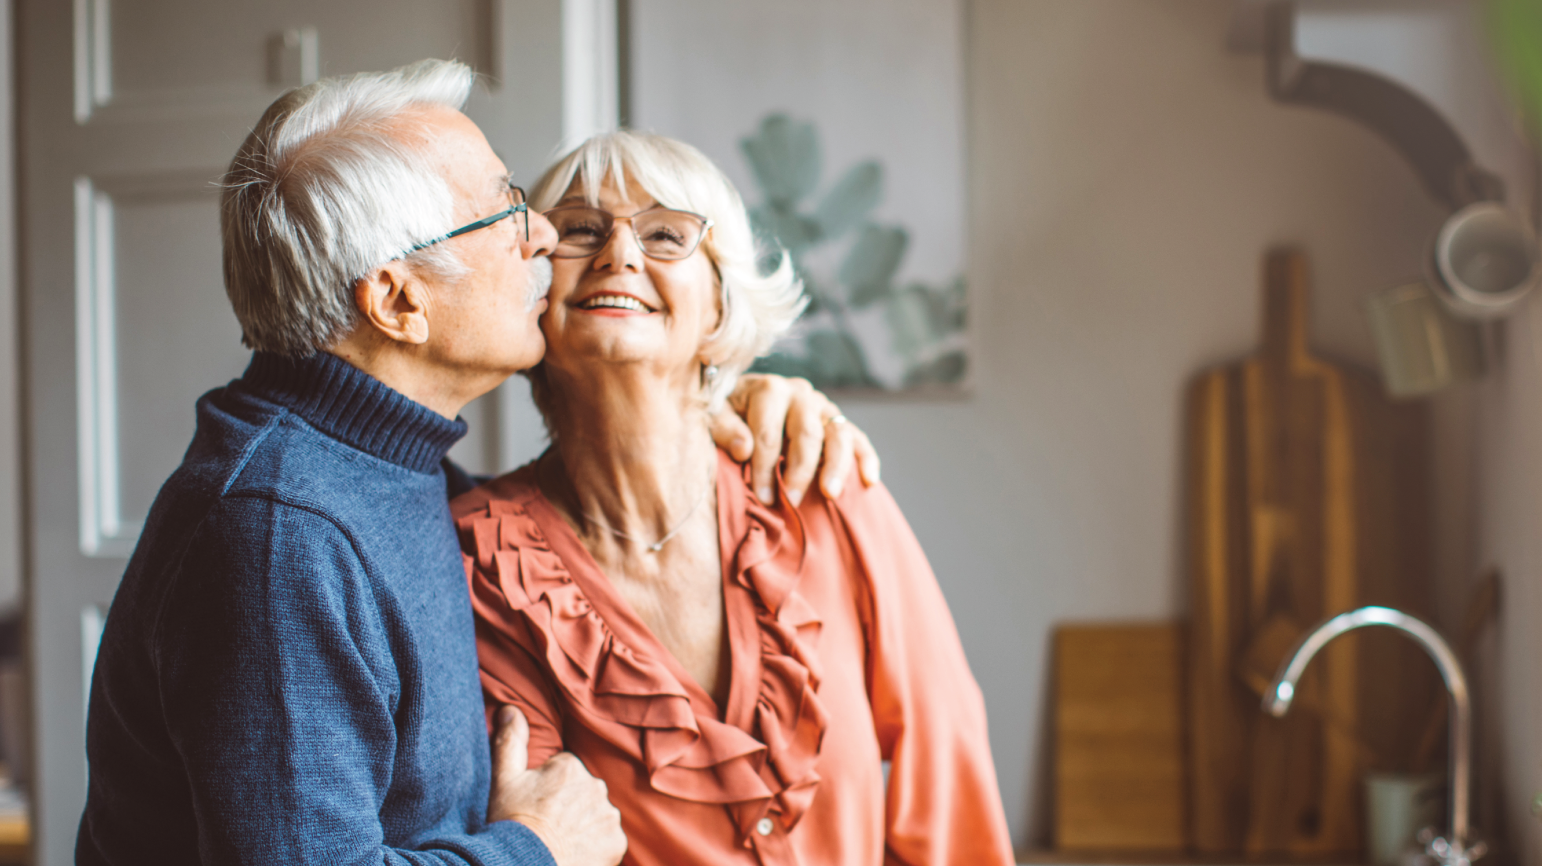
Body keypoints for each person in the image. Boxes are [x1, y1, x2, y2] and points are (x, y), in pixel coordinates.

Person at [78, 61, 876, 866]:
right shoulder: (278, 537)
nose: (542, 236)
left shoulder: (381, 468)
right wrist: (537, 850)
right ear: (398, 304)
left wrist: (727, 400)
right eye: (505, 211)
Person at [454, 131, 1014, 866]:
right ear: (532, 294)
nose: (619, 254)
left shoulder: (820, 480)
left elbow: (946, 761)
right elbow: (549, 826)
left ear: (719, 306)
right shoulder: (482, 560)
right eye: (580, 229)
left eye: (665, 234)